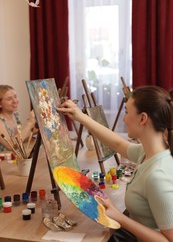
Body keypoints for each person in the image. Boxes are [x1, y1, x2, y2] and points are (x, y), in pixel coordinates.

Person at [57, 85, 173, 242]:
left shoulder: (157, 176)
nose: (124, 119)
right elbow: (118, 144)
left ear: (143, 118)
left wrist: (119, 217)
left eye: (126, 112)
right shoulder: (149, 153)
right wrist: (80, 116)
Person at [0, 85, 36, 152]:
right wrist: (29, 124)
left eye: (15, 96)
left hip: (14, 160)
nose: (15, 101)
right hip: (3, 161)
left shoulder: (15, 115)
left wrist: (33, 132)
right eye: (9, 99)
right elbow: (12, 145)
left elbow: (20, 139)